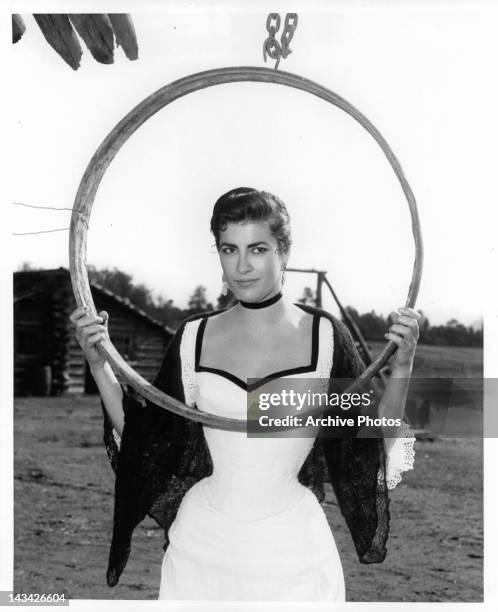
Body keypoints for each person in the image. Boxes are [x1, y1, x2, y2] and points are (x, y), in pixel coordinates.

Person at [70, 187, 419, 601]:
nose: (241, 266)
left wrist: (405, 364)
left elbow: (374, 439)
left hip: (293, 554)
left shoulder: (324, 338)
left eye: (257, 249)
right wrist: (99, 365)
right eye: (228, 249)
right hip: (202, 551)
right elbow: (148, 440)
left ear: (283, 251)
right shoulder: (193, 338)